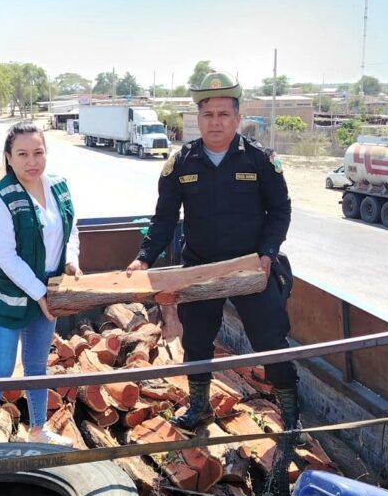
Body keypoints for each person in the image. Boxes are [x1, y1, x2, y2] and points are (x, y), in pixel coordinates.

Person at [126, 71, 298, 433]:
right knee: (197, 341)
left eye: (223, 114)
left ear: (237, 117)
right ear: (198, 119)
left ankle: (290, 413)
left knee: (271, 340)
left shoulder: (260, 161)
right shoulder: (181, 164)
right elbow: (164, 219)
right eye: (208, 115)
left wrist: (268, 252)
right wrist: (144, 257)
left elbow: (280, 210)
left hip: (252, 267)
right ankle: (199, 406)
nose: (215, 122)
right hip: (200, 267)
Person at [0, 121, 81, 447]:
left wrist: (71, 259)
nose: (31, 162)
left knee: (36, 365)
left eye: (38, 152)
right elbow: (5, 256)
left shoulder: (59, 187)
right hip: (9, 295)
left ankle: (38, 430)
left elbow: (71, 230)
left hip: (48, 291)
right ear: (8, 157)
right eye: (22, 154)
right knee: (0, 370)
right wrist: (40, 292)